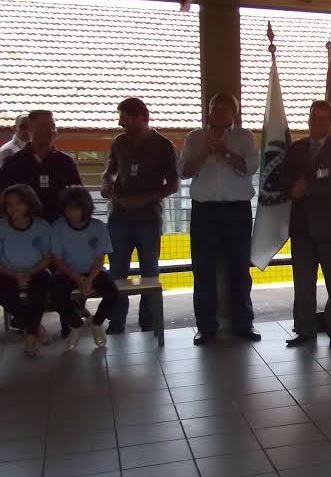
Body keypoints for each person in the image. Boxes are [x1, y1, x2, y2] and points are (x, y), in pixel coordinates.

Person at [179, 92, 260, 346]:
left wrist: (225, 152)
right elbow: (184, 171)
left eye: (226, 109)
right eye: (215, 108)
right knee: (203, 271)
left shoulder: (244, 137)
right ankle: (206, 327)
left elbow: (250, 167)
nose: (219, 113)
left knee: (240, 268)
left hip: (237, 211)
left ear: (235, 113)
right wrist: (205, 151)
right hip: (204, 212)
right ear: (209, 110)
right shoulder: (195, 137)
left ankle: (243, 324)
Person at [102, 97, 179, 334]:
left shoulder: (163, 145)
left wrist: (144, 200)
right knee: (117, 271)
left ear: (141, 118)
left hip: (148, 218)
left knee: (149, 272)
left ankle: (149, 321)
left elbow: (173, 185)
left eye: (124, 119)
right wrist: (107, 185)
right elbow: (110, 171)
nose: (120, 123)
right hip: (119, 216)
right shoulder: (119, 143)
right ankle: (116, 322)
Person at [280, 100, 331, 349]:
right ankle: (304, 330)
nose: (317, 122)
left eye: (323, 118)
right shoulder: (296, 148)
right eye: (313, 117)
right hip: (301, 228)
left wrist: (307, 189)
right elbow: (283, 179)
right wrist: (292, 188)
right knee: (302, 282)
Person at [50, 185, 117, 350]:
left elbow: (100, 259)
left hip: (94, 271)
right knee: (55, 296)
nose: (71, 213)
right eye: (67, 208)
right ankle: (75, 324)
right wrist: (78, 278)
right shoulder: (58, 227)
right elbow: (57, 260)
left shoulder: (98, 227)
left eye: (75, 208)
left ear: (85, 208)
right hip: (67, 272)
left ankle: (96, 322)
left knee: (113, 294)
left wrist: (89, 279)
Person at [0, 109, 82, 221]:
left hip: (58, 225)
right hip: (24, 226)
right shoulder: (13, 162)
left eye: (53, 126)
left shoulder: (66, 162)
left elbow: (79, 196)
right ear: (30, 129)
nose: (50, 130)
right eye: (43, 126)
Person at [0, 185, 53, 356]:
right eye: (9, 204)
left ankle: (30, 338)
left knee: (40, 293)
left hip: (36, 272)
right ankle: (35, 327)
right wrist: (15, 275)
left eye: (18, 203)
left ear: (29, 204)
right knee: (8, 299)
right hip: (7, 273)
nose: (14, 208)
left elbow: (47, 258)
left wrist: (28, 273)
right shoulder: (1, 227)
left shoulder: (41, 226)